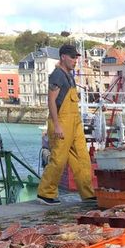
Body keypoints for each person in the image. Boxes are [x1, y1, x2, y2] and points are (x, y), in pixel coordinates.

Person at [37, 44, 95, 205]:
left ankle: (88, 194)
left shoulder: (68, 75)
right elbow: (51, 101)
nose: (75, 60)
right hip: (61, 121)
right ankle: (46, 193)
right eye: (72, 57)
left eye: (76, 57)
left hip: (74, 122)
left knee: (82, 157)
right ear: (63, 57)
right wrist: (56, 125)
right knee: (59, 158)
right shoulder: (57, 75)